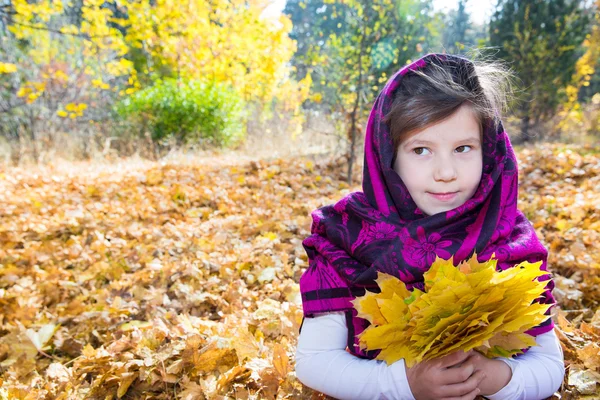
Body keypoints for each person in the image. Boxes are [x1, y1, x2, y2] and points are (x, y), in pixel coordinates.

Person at [294, 53, 565, 400]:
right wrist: (404, 384)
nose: (446, 171)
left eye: (463, 148)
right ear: (387, 157)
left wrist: (499, 377)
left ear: (491, 151)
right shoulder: (347, 238)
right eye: (421, 150)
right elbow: (315, 362)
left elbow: (549, 365)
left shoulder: (510, 240)